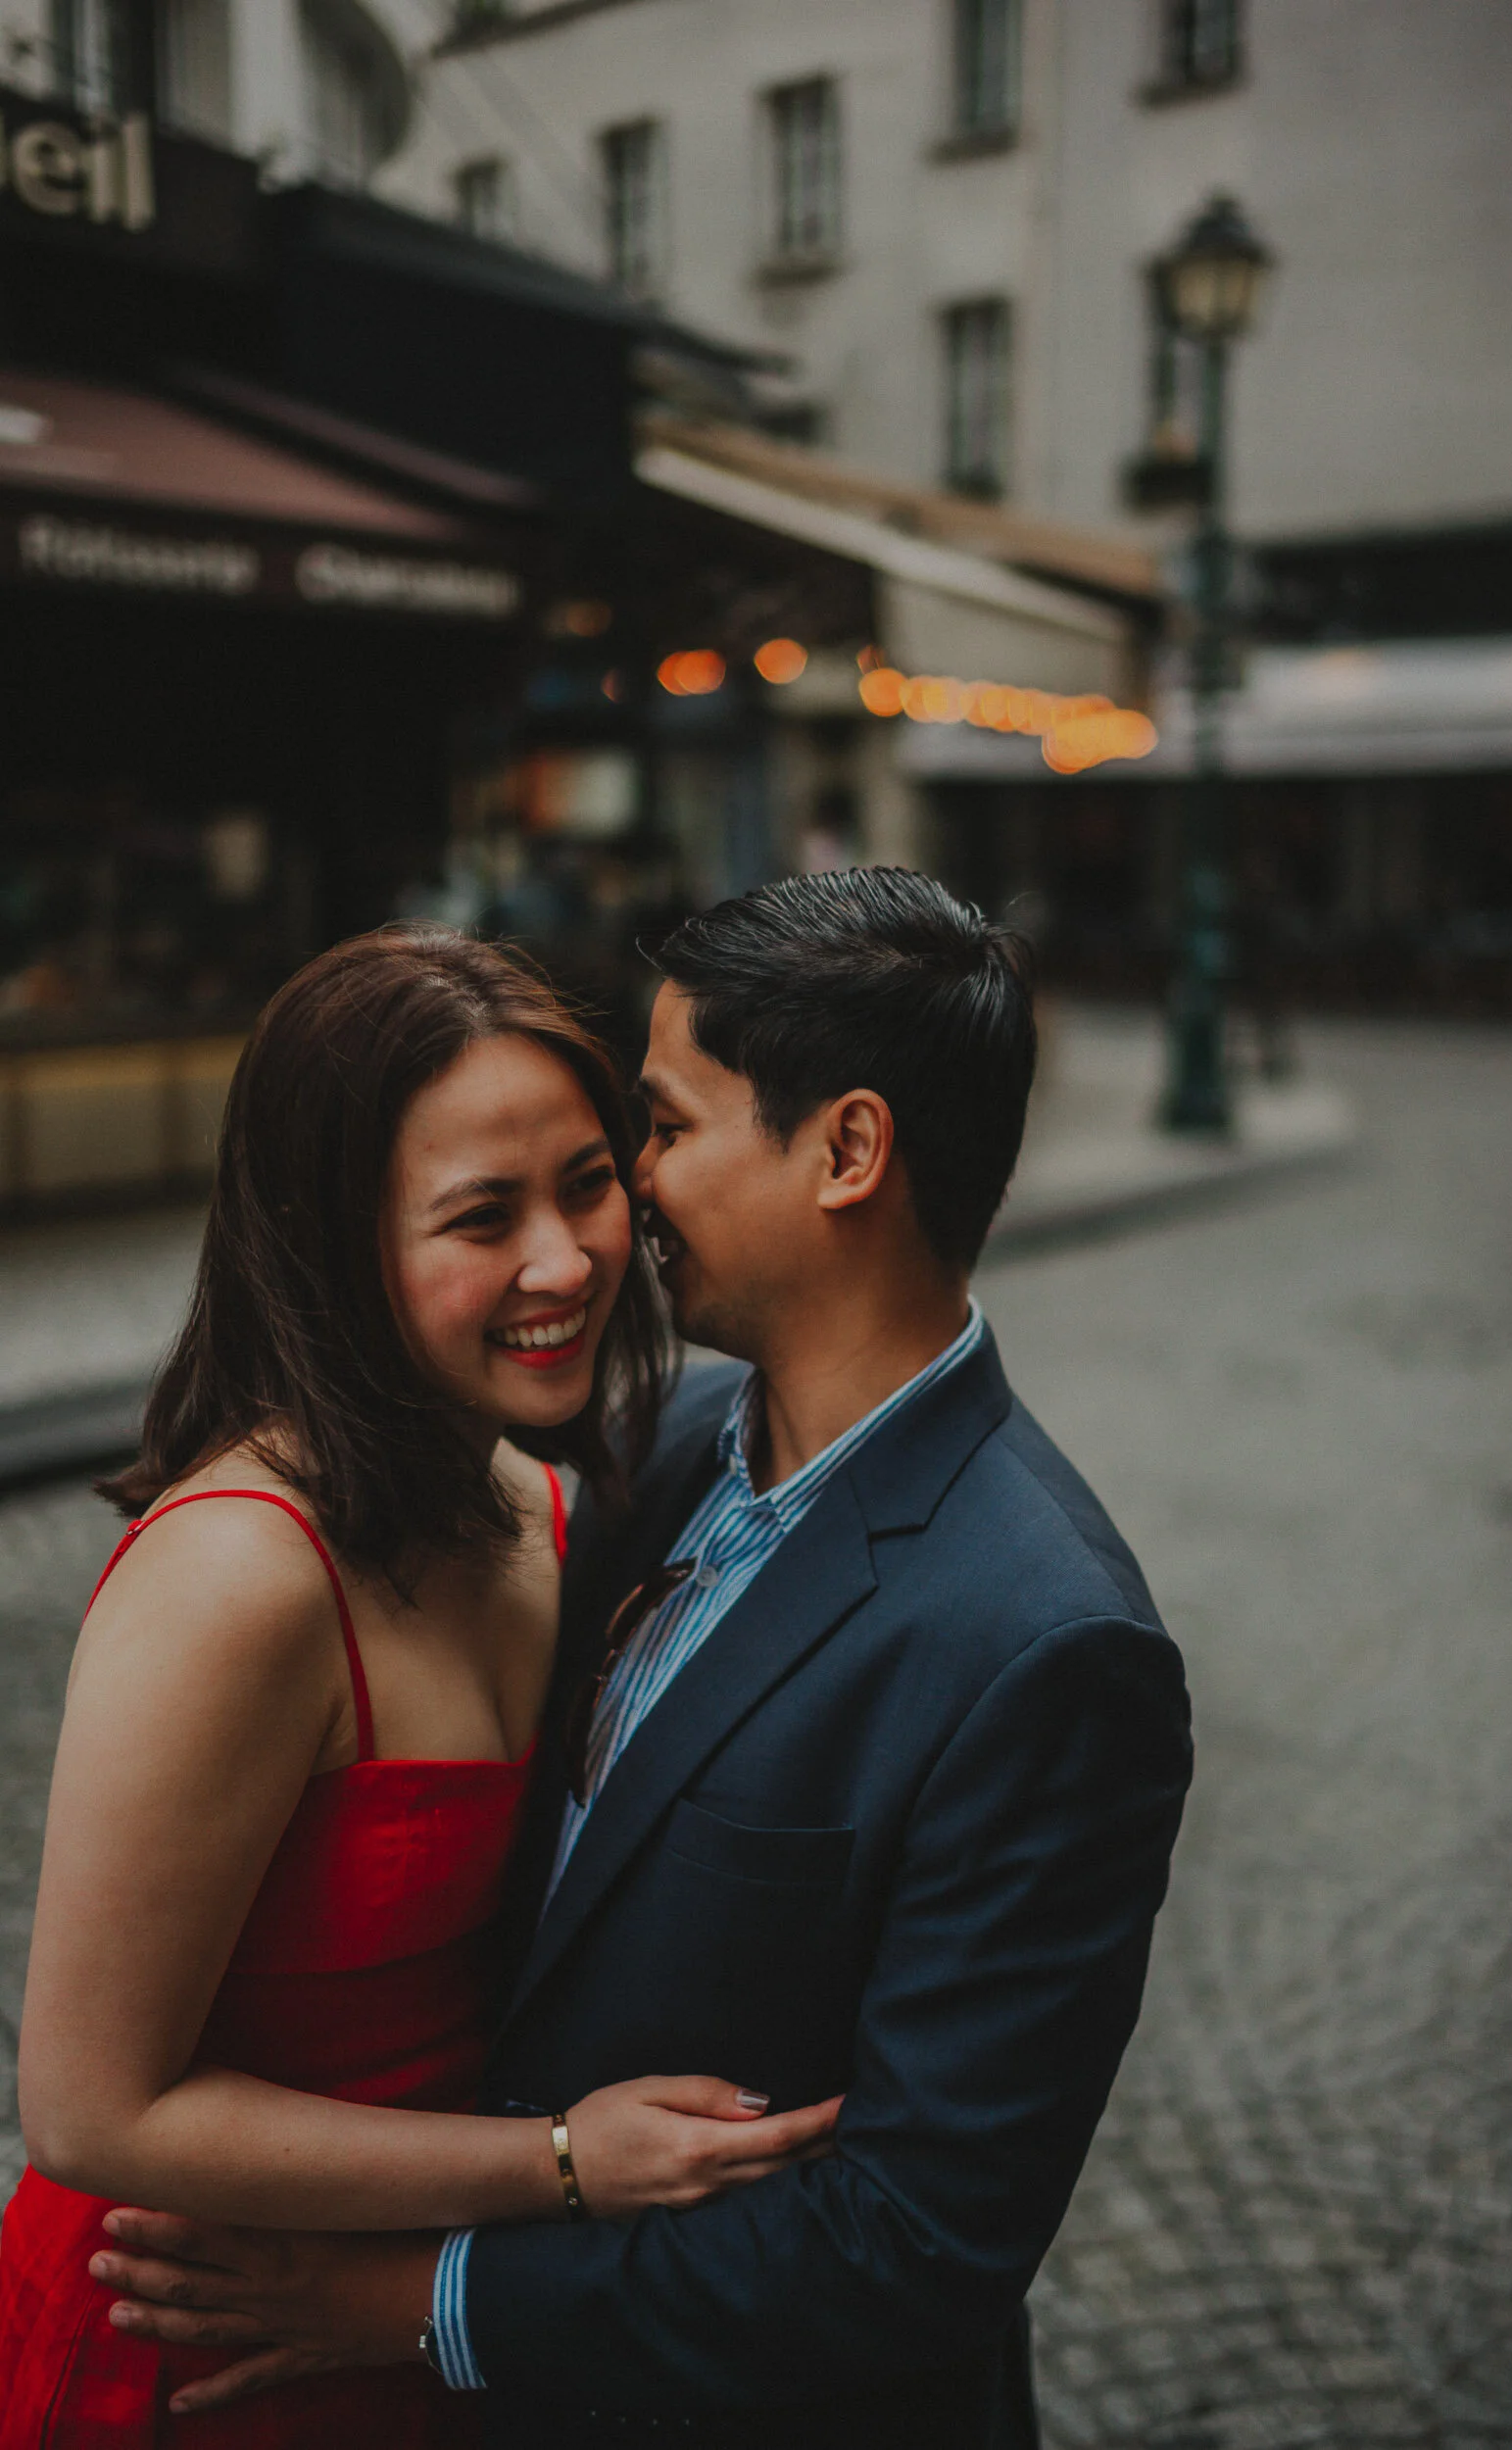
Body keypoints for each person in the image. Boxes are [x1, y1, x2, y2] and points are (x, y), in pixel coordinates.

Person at [95, 869, 1194, 2450]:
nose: (630, 1200)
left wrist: (406, 2301)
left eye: (663, 1130)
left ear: (847, 1151)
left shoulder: (1045, 1642)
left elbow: (913, 2242)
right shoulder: (643, 1453)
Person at [0, 929, 839, 2447]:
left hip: (422, 2327)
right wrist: (563, 2167)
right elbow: (87, 2110)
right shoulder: (240, 1582)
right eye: (478, 1217)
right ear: (333, 1248)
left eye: (589, 1181)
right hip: (191, 2343)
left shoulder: (556, 1503)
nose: (565, 1261)